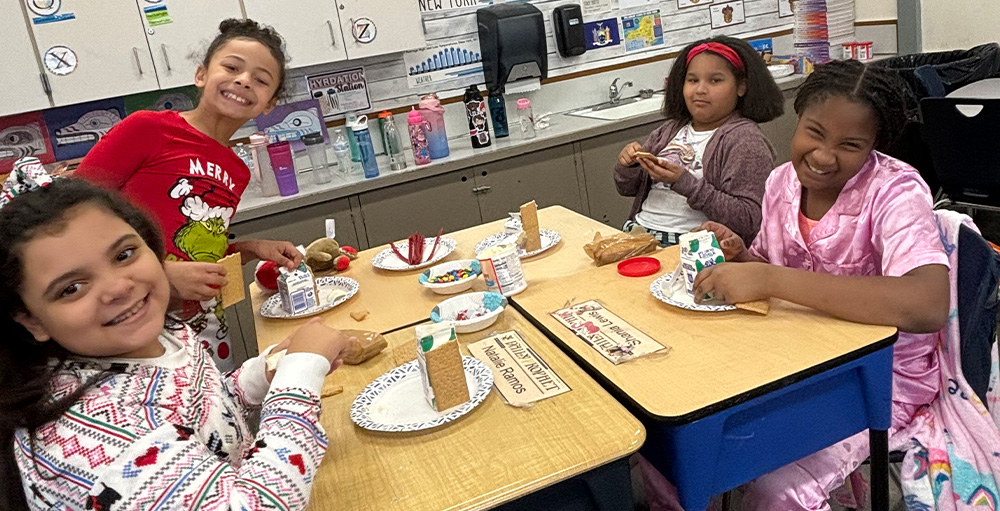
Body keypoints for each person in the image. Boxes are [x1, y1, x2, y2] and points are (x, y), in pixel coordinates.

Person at [0, 168, 350, 511]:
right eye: (71, 288)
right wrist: (299, 377)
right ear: (30, 318)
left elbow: (199, 411)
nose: (119, 287)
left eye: (123, 255)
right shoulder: (89, 438)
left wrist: (262, 374)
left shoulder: (158, 336)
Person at [694, 60, 950, 510]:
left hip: (877, 379)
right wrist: (745, 259)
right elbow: (776, 277)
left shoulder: (895, 192)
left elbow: (926, 303)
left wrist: (772, 278)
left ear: (875, 146)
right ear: (797, 121)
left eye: (850, 144)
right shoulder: (781, 184)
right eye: (814, 133)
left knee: (779, 488)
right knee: (693, 439)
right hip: (795, 360)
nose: (824, 155)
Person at [75, 19, 300, 371]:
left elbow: (195, 246)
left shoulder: (237, 170)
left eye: (260, 79)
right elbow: (65, 221)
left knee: (216, 409)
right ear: (201, 75)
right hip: (127, 325)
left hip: (202, 326)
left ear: (268, 104)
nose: (244, 80)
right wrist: (159, 274)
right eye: (231, 67)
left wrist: (249, 249)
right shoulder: (149, 128)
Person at [614, 35, 784, 247]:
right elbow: (627, 188)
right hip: (639, 233)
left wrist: (685, 184)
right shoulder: (670, 130)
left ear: (741, 87)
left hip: (694, 245)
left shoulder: (745, 141)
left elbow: (749, 219)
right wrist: (628, 166)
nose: (700, 90)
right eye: (693, 80)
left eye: (715, 80)